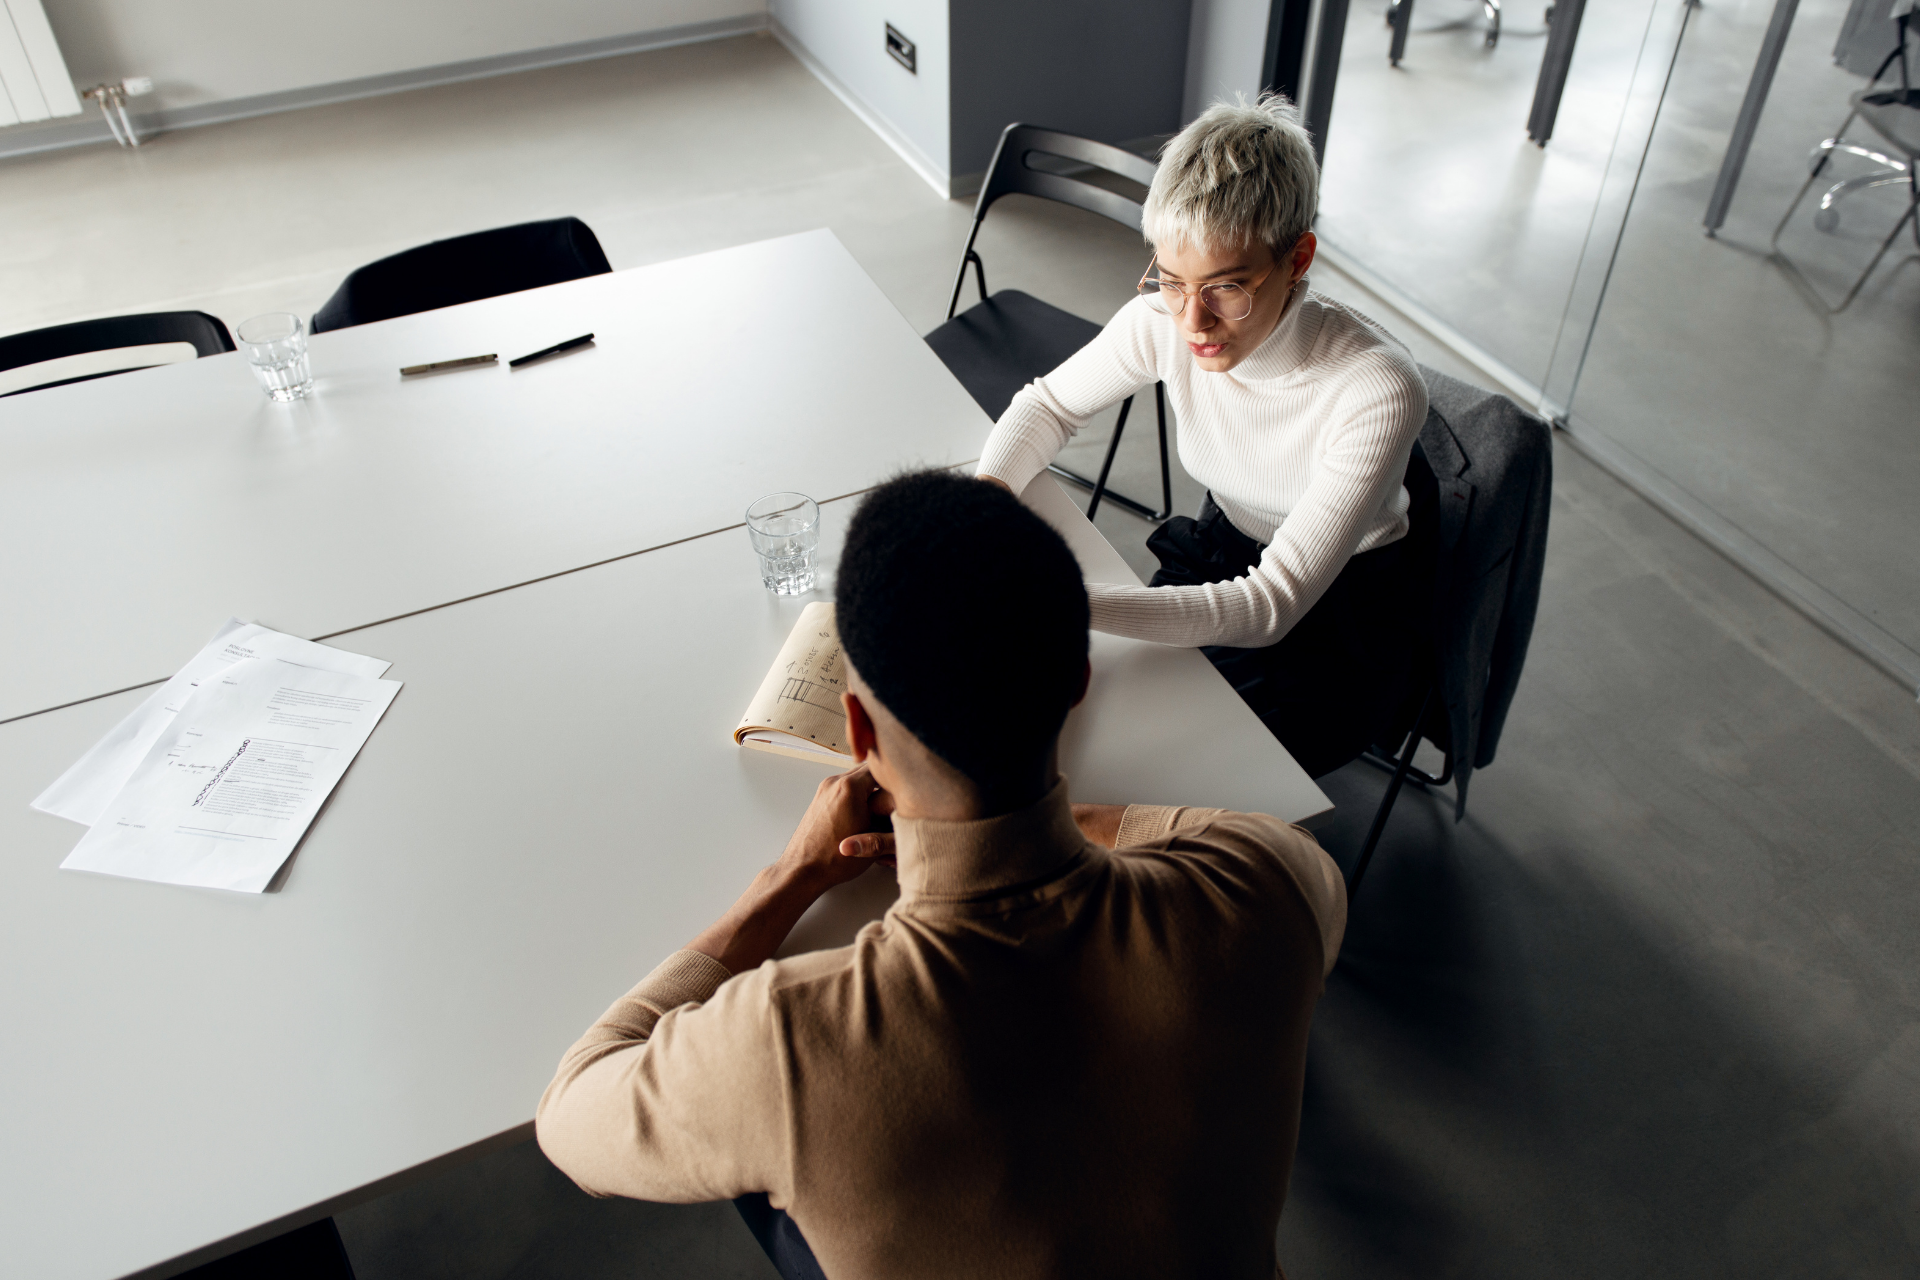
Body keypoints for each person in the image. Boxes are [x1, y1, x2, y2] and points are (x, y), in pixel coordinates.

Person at [536, 470, 1346, 1280]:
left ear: (857, 729)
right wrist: (1037, 819)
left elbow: (571, 1114)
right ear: (1077, 685)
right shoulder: (1266, 884)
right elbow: (1235, 834)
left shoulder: (788, 1040)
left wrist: (787, 877)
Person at [978, 94, 1436, 778]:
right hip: (1228, 546)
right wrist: (981, 505)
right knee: (1099, 706)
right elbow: (1045, 407)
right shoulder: (1161, 321)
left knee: (1179, 758)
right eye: (1170, 279)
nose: (1193, 321)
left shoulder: (1375, 389)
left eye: (1227, 287)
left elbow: (1268, 607)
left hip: (1337, 613)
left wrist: (1059, 601)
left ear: (1298, 258)